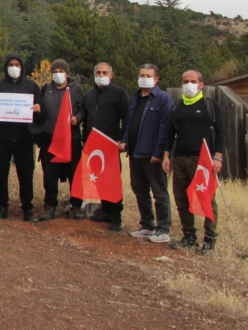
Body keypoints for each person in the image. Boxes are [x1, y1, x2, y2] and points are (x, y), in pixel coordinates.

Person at [164, 70, 224, 254]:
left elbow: (221, 131)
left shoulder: (209, 105)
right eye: (185, 81)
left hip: (203, 160)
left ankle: (210, 239)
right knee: (181, 198)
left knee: (206, 199)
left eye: (192, 81)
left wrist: (218, 157)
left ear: (201, 84)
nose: (188, 84)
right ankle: (189, 236)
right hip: (180, 157)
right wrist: (167, 156)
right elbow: (169, 132)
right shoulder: (177, 107)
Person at [120, 64, 175, 243]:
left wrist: (159, 152)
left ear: (156, 79)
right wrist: (125, 141)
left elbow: (166, 128)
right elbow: (129, 123)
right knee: (140, 190)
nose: (144, 78)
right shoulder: (135, 97)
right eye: (141, 75)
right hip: (135, 153)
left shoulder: (163, 99)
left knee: (159, 192)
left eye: (148, 75)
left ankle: (163, 229)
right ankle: (146, 225)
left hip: (152, 155)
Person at [0, 54, 42, 222]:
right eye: (11, 64)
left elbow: (41, 113)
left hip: (25, 138)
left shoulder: (32, 86)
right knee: (1, 173)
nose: (14, 67)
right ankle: (2, 206)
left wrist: (39, 109)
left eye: (17, 64)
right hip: (2, 137)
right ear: (6, 66)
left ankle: (27, 209)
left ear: (22, 67)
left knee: (25, 174)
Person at [31, 58, 85, 221]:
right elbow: (40, 108)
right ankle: (50, 206)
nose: (58, 74)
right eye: (55, 72)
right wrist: (38, 110)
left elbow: (83, 110)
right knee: (50, 175)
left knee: (74, 174)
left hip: (71, 139)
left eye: (61, 71)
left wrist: (78, 118)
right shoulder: (46, 88)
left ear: (67, 73)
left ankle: (76, 206)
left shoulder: (76, 90)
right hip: (49, 139)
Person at [83, 62, 130, 231]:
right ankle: (105, 209)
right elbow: (86, 117)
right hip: (92, 144)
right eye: (98, 72)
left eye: (104, 72)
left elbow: (127, 117)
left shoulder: (119, 93)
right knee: (98, 178)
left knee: (112, 180)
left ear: (111, 75)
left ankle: (115, 214)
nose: (101, 75)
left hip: (111, 143)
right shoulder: (89, 94)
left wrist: (122, 139)